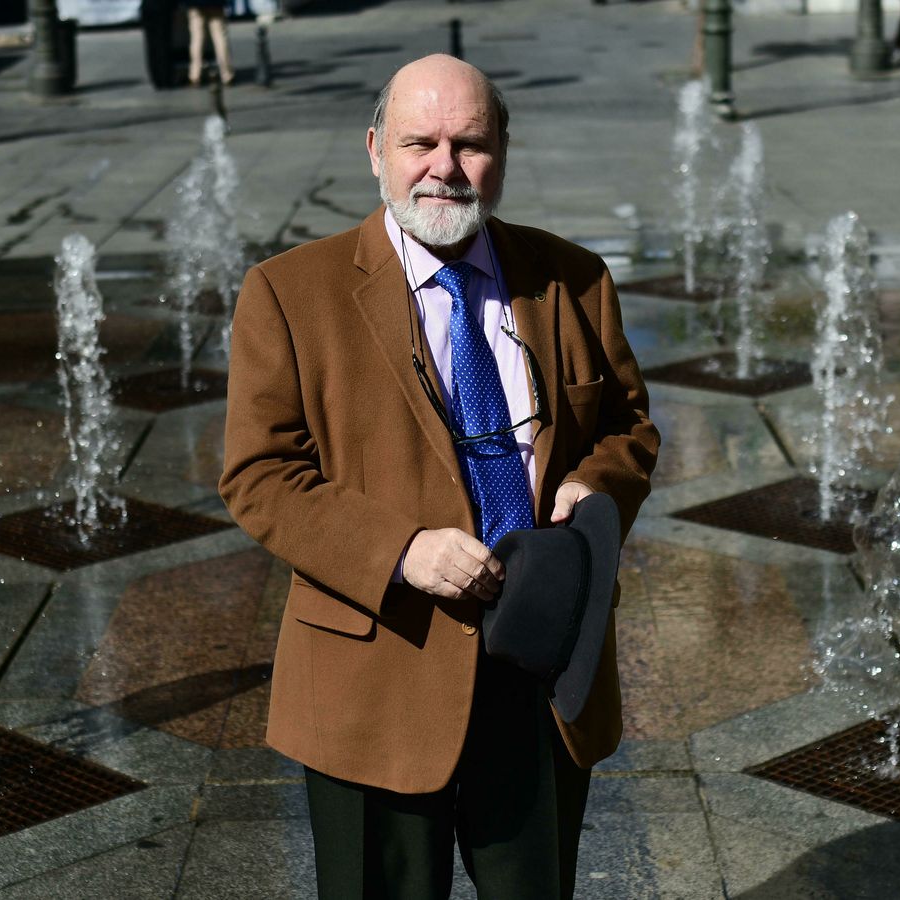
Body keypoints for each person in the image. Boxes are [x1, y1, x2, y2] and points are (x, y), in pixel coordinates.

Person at [219, 54, 658, 899]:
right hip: (379, 669)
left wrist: (597, 485)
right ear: (376, 148)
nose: (445, 168)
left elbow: (628, 426)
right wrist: (402, 549)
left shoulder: (574, 279)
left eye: (470, 144)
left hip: (537, 664)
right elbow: (260, 474)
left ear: (503, 151)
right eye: (421, 142)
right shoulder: (288, 293)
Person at [186, 0, 233, 85]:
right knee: (220, 37)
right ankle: (227, 74)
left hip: (195, 4)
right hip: (215, 4)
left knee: (197, 38)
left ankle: (195, 75)